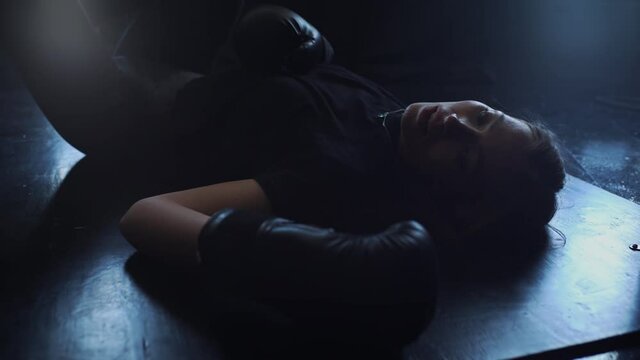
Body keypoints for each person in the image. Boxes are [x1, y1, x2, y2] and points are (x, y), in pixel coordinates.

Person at [5, 1, 564, 316]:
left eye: (466, 156)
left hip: (111, 109)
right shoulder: (398, 117)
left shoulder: (338, 177)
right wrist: (310, 51)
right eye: (483, 116)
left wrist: (291, 260)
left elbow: (146, 215)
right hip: (179, 71)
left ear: (455, 207)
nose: (455, 122)